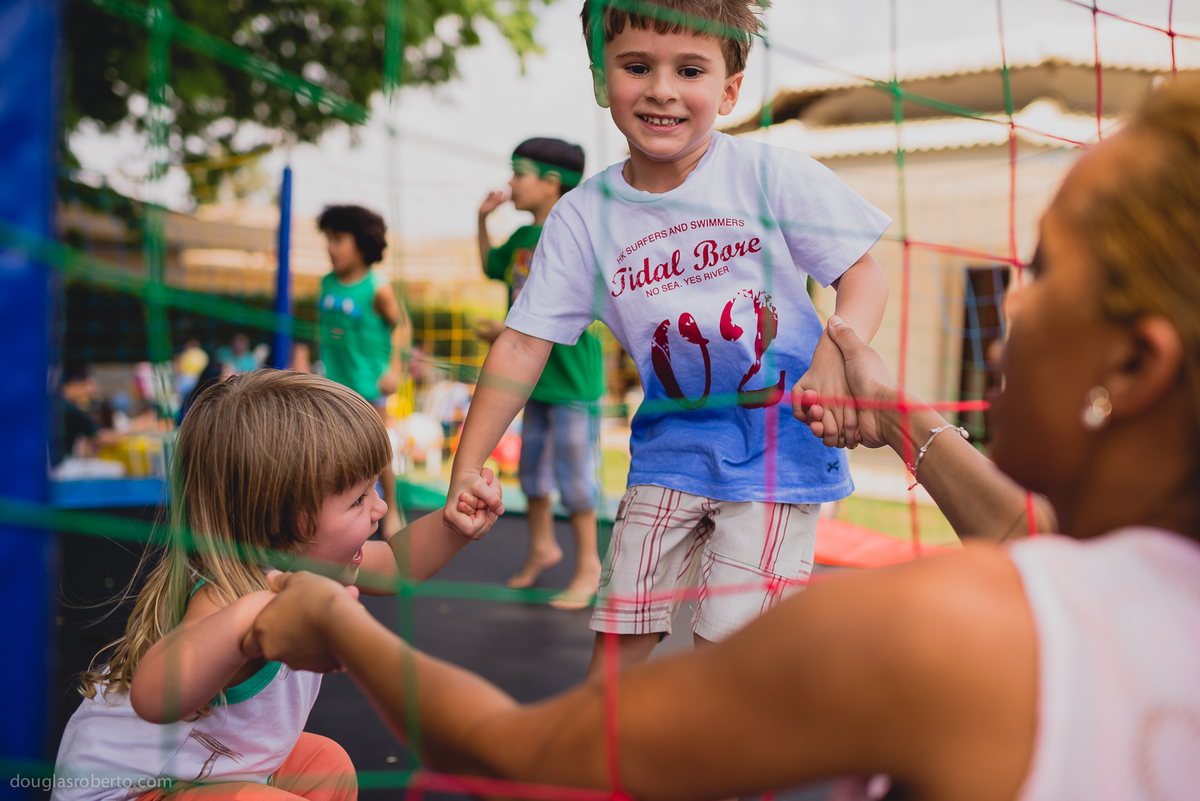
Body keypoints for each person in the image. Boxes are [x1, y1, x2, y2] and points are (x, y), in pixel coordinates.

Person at [243, 77, 1200, 798]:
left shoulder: (945, 626)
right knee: (627, 621)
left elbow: (515, 750)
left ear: (1134, 366)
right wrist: (893, 403)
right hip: (675, 446)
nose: (1012, 301)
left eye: (1043, 268)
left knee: (698, 650)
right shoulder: (1136, 598)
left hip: (773, 461)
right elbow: (1028, 534)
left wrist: (339, 620)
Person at [447, 0, 891, 673]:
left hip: (780, 454)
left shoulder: (772, 176)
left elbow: (863, 274)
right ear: (602, 80)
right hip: (668, 452)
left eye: (689, 70)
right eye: (636, 67)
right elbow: (521, 343)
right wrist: (468, 462)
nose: (661, 89)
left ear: (729, 90)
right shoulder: (582, 218)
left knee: (730, 661)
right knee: (616, 653)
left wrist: (835, 350)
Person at [52, 371, 497, 801]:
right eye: (359, 499)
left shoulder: (311, 560)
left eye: (374, 488)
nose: (380, 508)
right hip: (126, 789)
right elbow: (154, 695)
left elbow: (397, 564)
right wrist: (250, 620)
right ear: (282, 521)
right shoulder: (227, 594)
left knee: (327, 764)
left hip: (199, 772)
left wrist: (453, 523)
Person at [477, 137, 605, 610]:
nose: (511, 181)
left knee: (576, 479)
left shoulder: (575, 233)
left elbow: (583, 307)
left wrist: (512, 331)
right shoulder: (519, 239)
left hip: (571, 381)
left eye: (519, 172)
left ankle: (590, 566)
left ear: (551, 183)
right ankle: (541, 548)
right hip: (532, 383)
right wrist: (481, 220)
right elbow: (490, 266)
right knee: (531, 472)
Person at [316, 205, 412, 539]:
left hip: (368, 385)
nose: (331, 247)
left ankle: (393, 509)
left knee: (378, 449)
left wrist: (394, 369)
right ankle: (338, 510)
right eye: (328, 239)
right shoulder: (327, 283)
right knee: (332, 451)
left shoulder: (377, 288)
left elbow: (403, 326)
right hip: (334, 384)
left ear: (361, 244)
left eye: (338, 240)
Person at [53, 363, 124, 466]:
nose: (91, 391)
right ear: (75, 383)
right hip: (57, 467)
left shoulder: (53, 401)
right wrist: (136, 426)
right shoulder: (71, 410)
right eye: (88, 384)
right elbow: (107, 438)